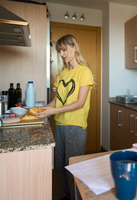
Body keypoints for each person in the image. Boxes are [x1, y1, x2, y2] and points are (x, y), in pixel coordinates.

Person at [34, 34, 94, 200]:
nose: (61, 54)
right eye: (59, 51)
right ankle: (69, 195)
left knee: (73, 167)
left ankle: (78, 197)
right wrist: (41, 109)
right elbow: (57, 100)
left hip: (75, 127)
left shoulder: (84, 71)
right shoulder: (62, 74)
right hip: (60, 125)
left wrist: (52, 112)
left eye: (64, 49)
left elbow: (80, 103)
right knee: (60, 165)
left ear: (74, 47)